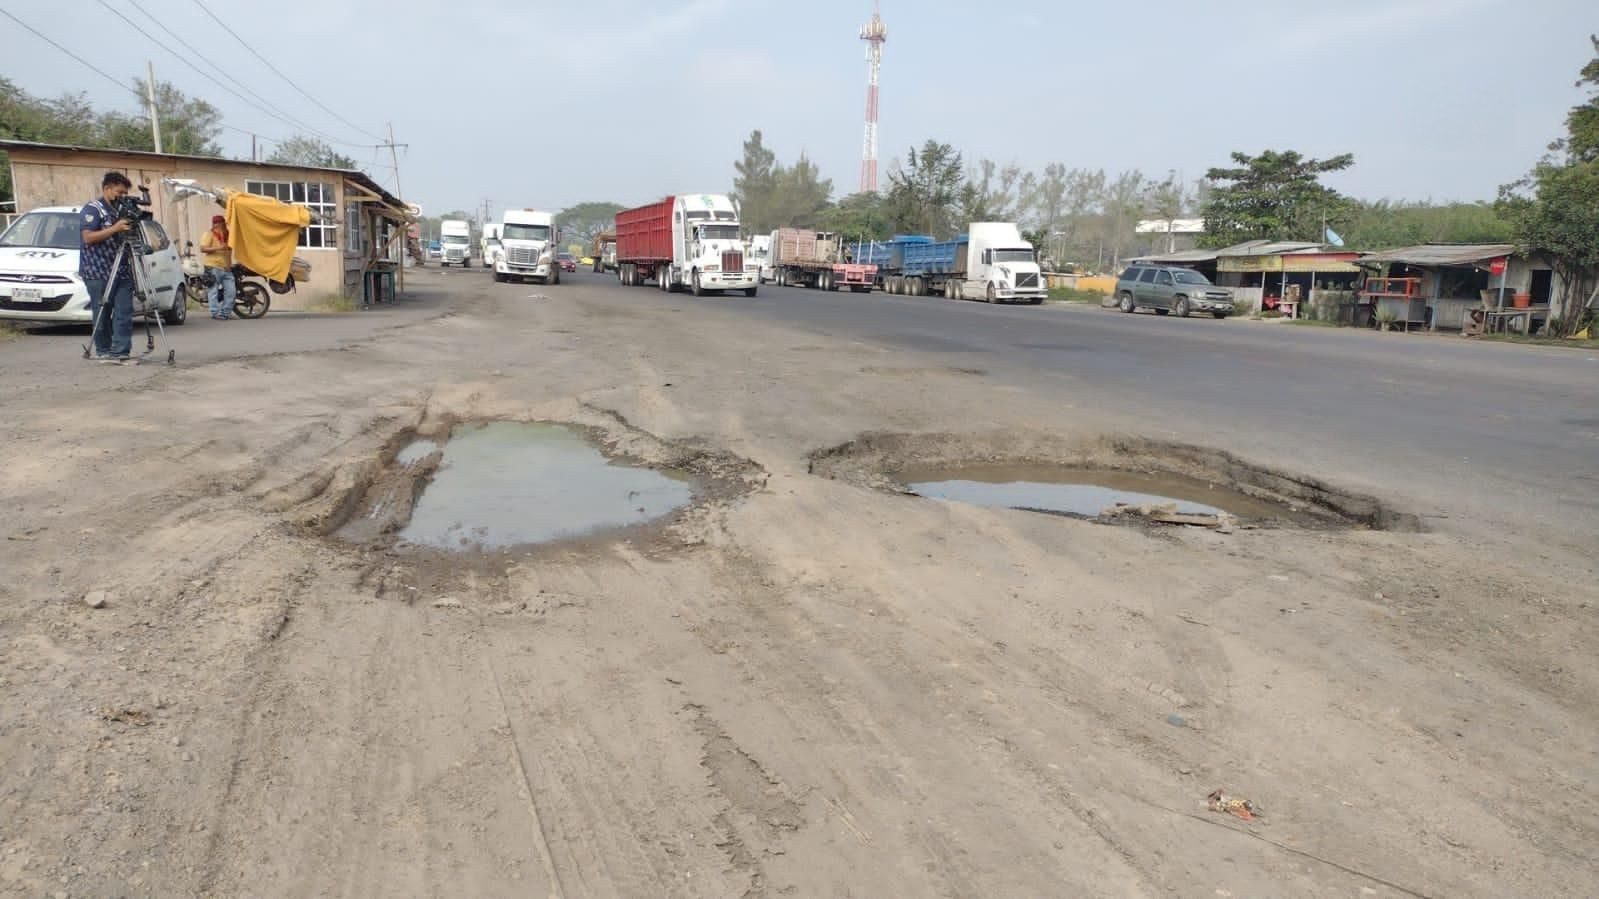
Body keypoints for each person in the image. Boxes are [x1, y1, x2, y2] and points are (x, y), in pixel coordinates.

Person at [79, 171, 137, 364]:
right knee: (102, 311)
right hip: (97, 270)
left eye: (124, 193)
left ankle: (120, 351)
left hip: (121, 268)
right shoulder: (93, 209)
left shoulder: (119, 210)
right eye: (119, 192)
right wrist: (115, 228)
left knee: (124, 311)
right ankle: (103, 350)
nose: (121, 196)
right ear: (107, 188)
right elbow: (88, 238)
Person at [200, 213, 236, 320]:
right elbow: (203, 249)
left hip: (225, 267)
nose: (224, 226)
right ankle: (215, 313)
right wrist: (219, 248)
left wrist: (229, 265)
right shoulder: (209, 234)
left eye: (224, 224)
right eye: (222, 224)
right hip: (212, 266)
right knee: (213, 291)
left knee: (231, 291)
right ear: (216, 225)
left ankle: (225, 312)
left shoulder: (228, 235)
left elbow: (229, 251)